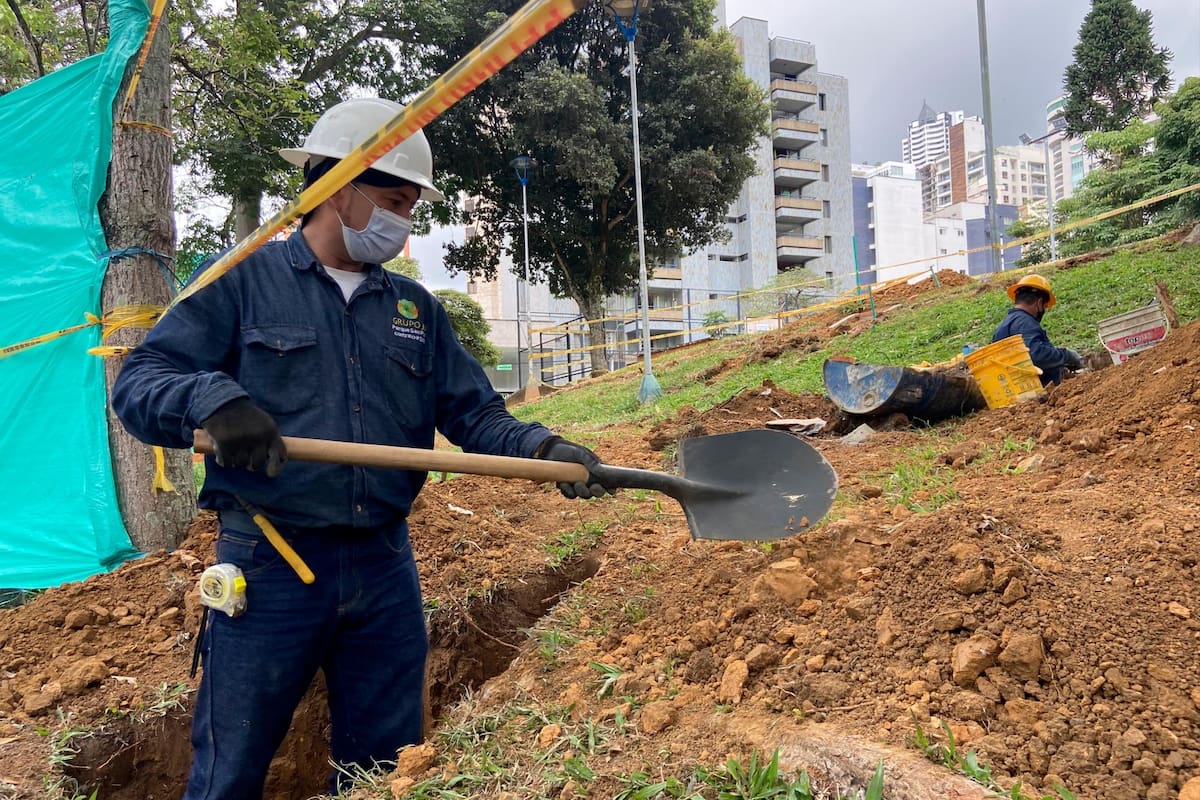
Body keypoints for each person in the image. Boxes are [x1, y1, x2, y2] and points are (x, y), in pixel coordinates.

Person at [111, 97, 616, 800]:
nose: (403, 221)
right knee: (229, 772)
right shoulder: (242, 283)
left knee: (384, 771)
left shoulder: (414, 311)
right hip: (271, 564)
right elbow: (140, 385)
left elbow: (475, 414)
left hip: (383, 568)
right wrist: (213, 401)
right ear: (337, 188)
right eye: (392, 200)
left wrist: (549, 447)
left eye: (411, 206)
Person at [992, 273, 1083, 386]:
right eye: (1045, 306)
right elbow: (1036, 355)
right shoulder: (1026, 323)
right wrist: (1066, 356)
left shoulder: (1003, 326)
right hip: (1035, 391)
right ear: (1039, 303)